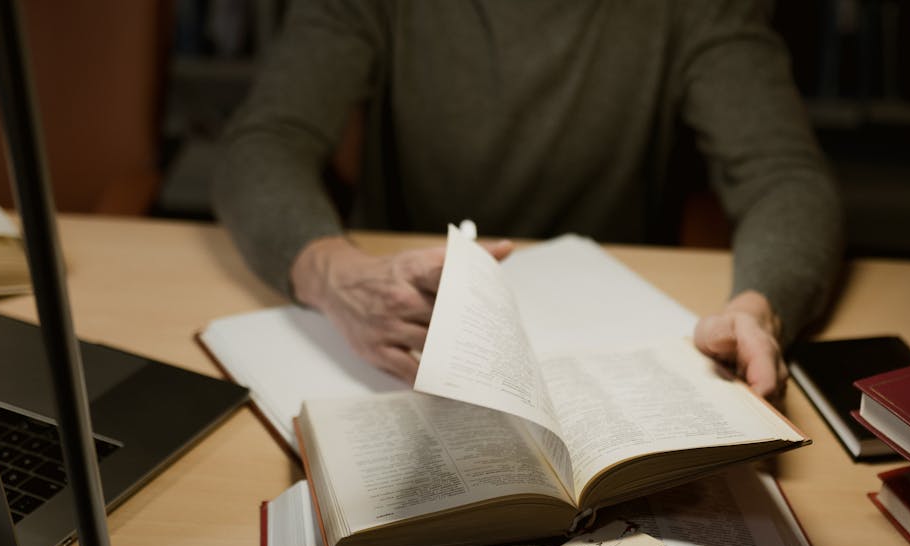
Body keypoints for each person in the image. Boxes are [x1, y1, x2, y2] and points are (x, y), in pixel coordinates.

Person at [212, 0, 843, 401]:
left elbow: (785, 175)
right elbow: (265, 141)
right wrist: (333, 275)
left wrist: (761, 308)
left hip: (608, 359)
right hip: (399, 350)